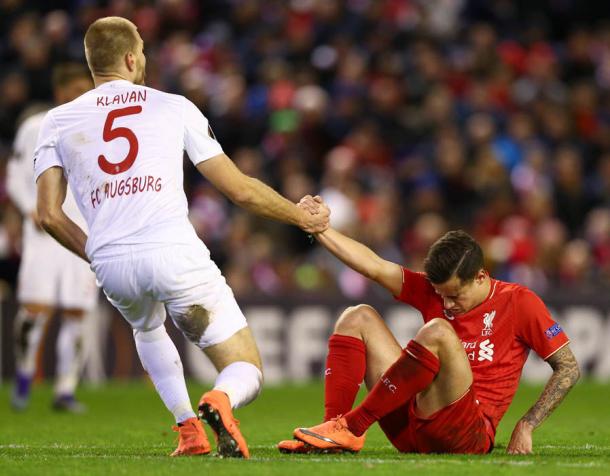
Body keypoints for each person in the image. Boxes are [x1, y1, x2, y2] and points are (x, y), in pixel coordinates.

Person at [33, 16, 329, 458]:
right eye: (144, 51)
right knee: (246, 366)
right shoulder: (173, 106)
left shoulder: (55, 121)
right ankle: (220, 399)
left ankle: (188, 429)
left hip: (111, 264)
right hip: (172, 251)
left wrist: (95, 253)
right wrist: (300, 217)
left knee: (146, 327)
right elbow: (239, 189)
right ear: (132, 58)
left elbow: (49, 215)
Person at [279, 196, 579, 455]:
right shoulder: (436, 292)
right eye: (440, 295)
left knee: (438, 331)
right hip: (412, 423)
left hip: (466, 434)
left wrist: (527, 423)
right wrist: (320, 228)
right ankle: (334, 430)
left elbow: (568, 367)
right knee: (357, 315)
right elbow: (373, 265)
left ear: (480, 276)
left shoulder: (519, 302)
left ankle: (354, 425)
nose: (447, 304)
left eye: (454, 295)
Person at [7, 63, 98, 413]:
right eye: (74, 90)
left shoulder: (98, 128)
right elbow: (15, 176)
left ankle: (65, 389)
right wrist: (31, 206)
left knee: (77, 312)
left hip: (84, 233)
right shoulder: (36, 126)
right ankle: (25, 376)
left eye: (84, 89)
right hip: (45, 232)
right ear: (60, 92)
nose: (80, 96)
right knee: (36, 308)